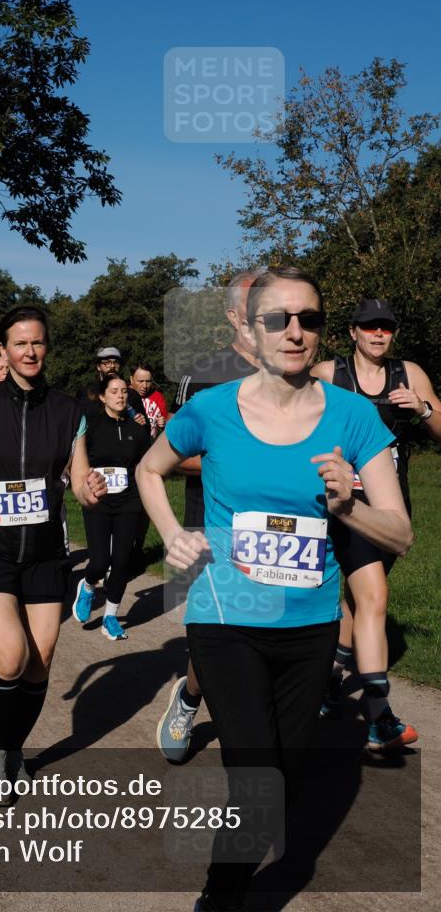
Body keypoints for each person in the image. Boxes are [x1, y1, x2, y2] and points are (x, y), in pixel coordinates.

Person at [137, 267, 412, 912]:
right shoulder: (209, 409)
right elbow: (152, 469)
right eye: (278, 320)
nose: (295, 332)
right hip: (227, 614)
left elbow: (399, 533)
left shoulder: (353, 415)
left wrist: (347, 508)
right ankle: (219, 897)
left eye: (308, 320)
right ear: (250, 331)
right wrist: (175, 533)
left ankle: (229, 877)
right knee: (255, 773)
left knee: (281, 783)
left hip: (310, 624)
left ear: (321, 330)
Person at [0, 306, 106, 802]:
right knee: (9, 657)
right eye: (20, 343)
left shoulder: (68, 410)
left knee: (40, 661)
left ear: (46, 348)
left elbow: (78, 479)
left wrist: (90, 487)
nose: (30, 351)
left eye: (38, 342)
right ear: (3, 351)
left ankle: (14, 748)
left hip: (46, 552)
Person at [311, 298, 440, 747]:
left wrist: (423, 408)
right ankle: (378, 713)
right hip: (337, 505)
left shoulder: (410, 373)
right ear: (353, 332)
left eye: (386, 327)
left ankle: (327, 682)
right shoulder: (329, 373)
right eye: (369, 327)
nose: (378, 334)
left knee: (357, 600)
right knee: (371, 597)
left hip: (388, 509)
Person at [157, 268, 262, 763]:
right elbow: (172, 453)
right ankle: (190, 697)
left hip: (280, 528)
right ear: (234, 316)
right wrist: (237, 457)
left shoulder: (295, 373)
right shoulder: (205, 373)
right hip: (212, 525)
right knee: (218, 635)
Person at [72, 374, 151, 640]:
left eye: (124, 392)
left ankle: (110, 617)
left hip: (129, 501)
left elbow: (146, 467)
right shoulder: (90, 427)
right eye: (114, 391)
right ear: (103, 396)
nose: (120, 395)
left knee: (121, 561)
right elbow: (78, 460)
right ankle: (88, 585)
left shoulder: (137, 429)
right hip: (98, 501)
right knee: (99, 560)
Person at [77, 346, 147, 426]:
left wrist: (140, 423)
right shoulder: (86, 392)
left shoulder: (131, 395)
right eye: (107, 363)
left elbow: (146, 427)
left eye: (116, 362)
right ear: (98, 367)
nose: (112, 366)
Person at [130, 362, 168, 439]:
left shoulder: (158, 397)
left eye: (148, 381)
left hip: (150, 447)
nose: (144, 386)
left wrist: (164, 423)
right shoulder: (123, 395)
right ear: (131, 379)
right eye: (140, 381)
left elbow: (167, 426)